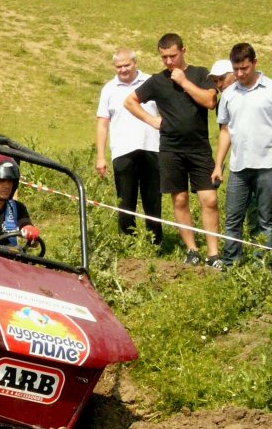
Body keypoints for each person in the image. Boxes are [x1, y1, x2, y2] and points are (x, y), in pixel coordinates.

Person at [125, 33, 222, 268]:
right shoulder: (157, 81)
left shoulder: (200, 74)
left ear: (183, 51)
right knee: (179, 200)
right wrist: (153, 121)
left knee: (209, 199)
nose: (169, 62)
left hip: (199, 148)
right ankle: (192, 250)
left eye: (173, 56)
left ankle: (214, 254)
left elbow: (210, 102)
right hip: (170, 149)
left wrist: (184, 82)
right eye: (164, 57)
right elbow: (130, 101)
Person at [211, 43, 272, 266]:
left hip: (268, 164)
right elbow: (225, 131)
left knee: (266, 219)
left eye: (245, 68)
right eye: (236, 69)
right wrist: (218, 165)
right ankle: (231, 264)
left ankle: (265, 265)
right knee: (233, 219)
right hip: (239, 166)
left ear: (255, 63)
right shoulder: (228, 94)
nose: (240, 74)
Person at [95, 48, 163, 245]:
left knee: (153, 200)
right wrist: (101, 156)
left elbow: (166, 111)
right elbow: (102, 123)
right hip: (123, 151)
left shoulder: (151, 82)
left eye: (127, 65)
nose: (123, 70)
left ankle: (155, 243)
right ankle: (127, 243)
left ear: (135, 63)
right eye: (119, 66)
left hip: (152, 148)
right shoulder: (109, 89)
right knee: (125, 200)